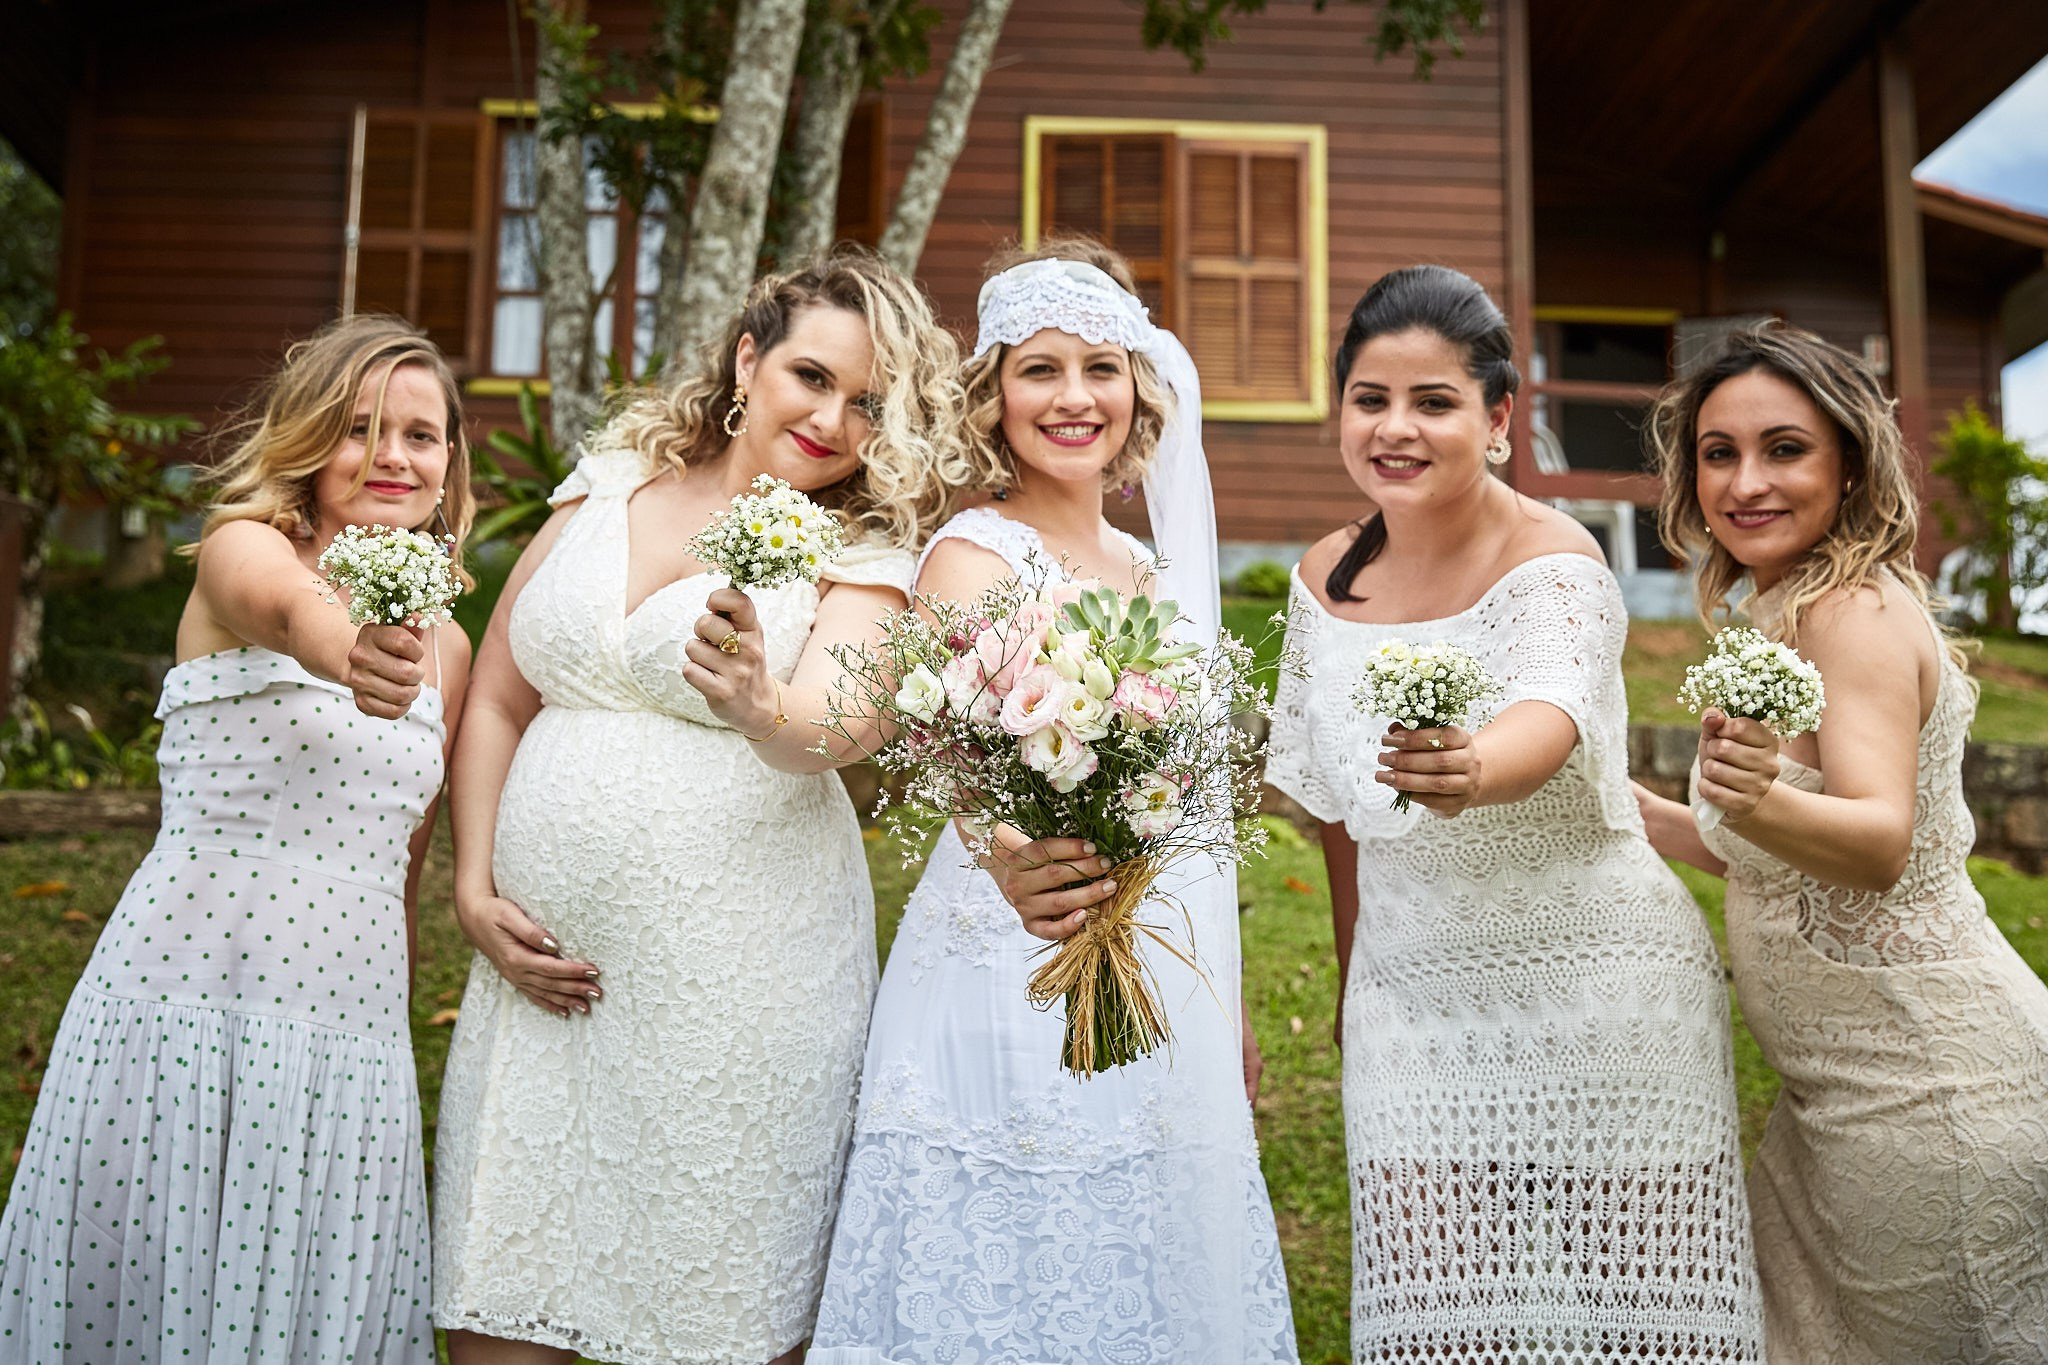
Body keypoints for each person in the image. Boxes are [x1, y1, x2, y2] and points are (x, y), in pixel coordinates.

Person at [429, 247, 967, 1365]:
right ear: (746, 357)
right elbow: (497, 691)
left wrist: (761, 701)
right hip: (538, 975)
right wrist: (473, 886)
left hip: (738, 987)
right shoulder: (612, 477)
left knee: (706, 1302)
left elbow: (835, 727)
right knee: (500, 1290)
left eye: (869, 404)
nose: (831, 419)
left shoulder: (863, 549)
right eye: (810, 377)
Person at [808, 238, 1298, 1365]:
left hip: (1153, 954)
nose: (1073, 397)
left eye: (1100, 368)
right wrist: (1008, 858)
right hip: (1006, 954)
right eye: (1039, 369)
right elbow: (954, 765)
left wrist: (1217, 997)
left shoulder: (1149, 564)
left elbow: (1190, 811)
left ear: (1138, 391)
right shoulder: (971, 554)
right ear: (991, 393)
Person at [1263, 265, 1764, 1361]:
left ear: (1497, 418)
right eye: (1369, 399)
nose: (1395, 428)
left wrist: (1469, 767)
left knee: (1634, 1318)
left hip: (1601, 990)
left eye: (1432, 402)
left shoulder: (1554, 556)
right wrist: (1359, 997)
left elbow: (1547, 714)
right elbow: (1340, 821)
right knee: (1436, 1318)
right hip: (1411, 1001)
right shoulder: (1319, 581)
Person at [0, 315, 475, 1364]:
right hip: (187, 998)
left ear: (449, 465)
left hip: (345, 1026)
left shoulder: (450, 639)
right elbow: (291, 608)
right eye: (359, 428)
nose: (391, 455)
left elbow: (406, 851)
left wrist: (392, 1020)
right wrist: (346, 645)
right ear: (310, 439)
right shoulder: (241, 548)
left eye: (420, 434)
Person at [1633, 322, 2048, 1361]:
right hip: (1842, 1106)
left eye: (1783, 448)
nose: (1743, 482)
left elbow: (1872, 844)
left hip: (1925, 1098)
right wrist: (1630, 815)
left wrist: (1756, 799)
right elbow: (1780, 857)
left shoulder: (1845, 613)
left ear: (1849, 464)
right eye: (1717, 453)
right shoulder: (1786, 611)